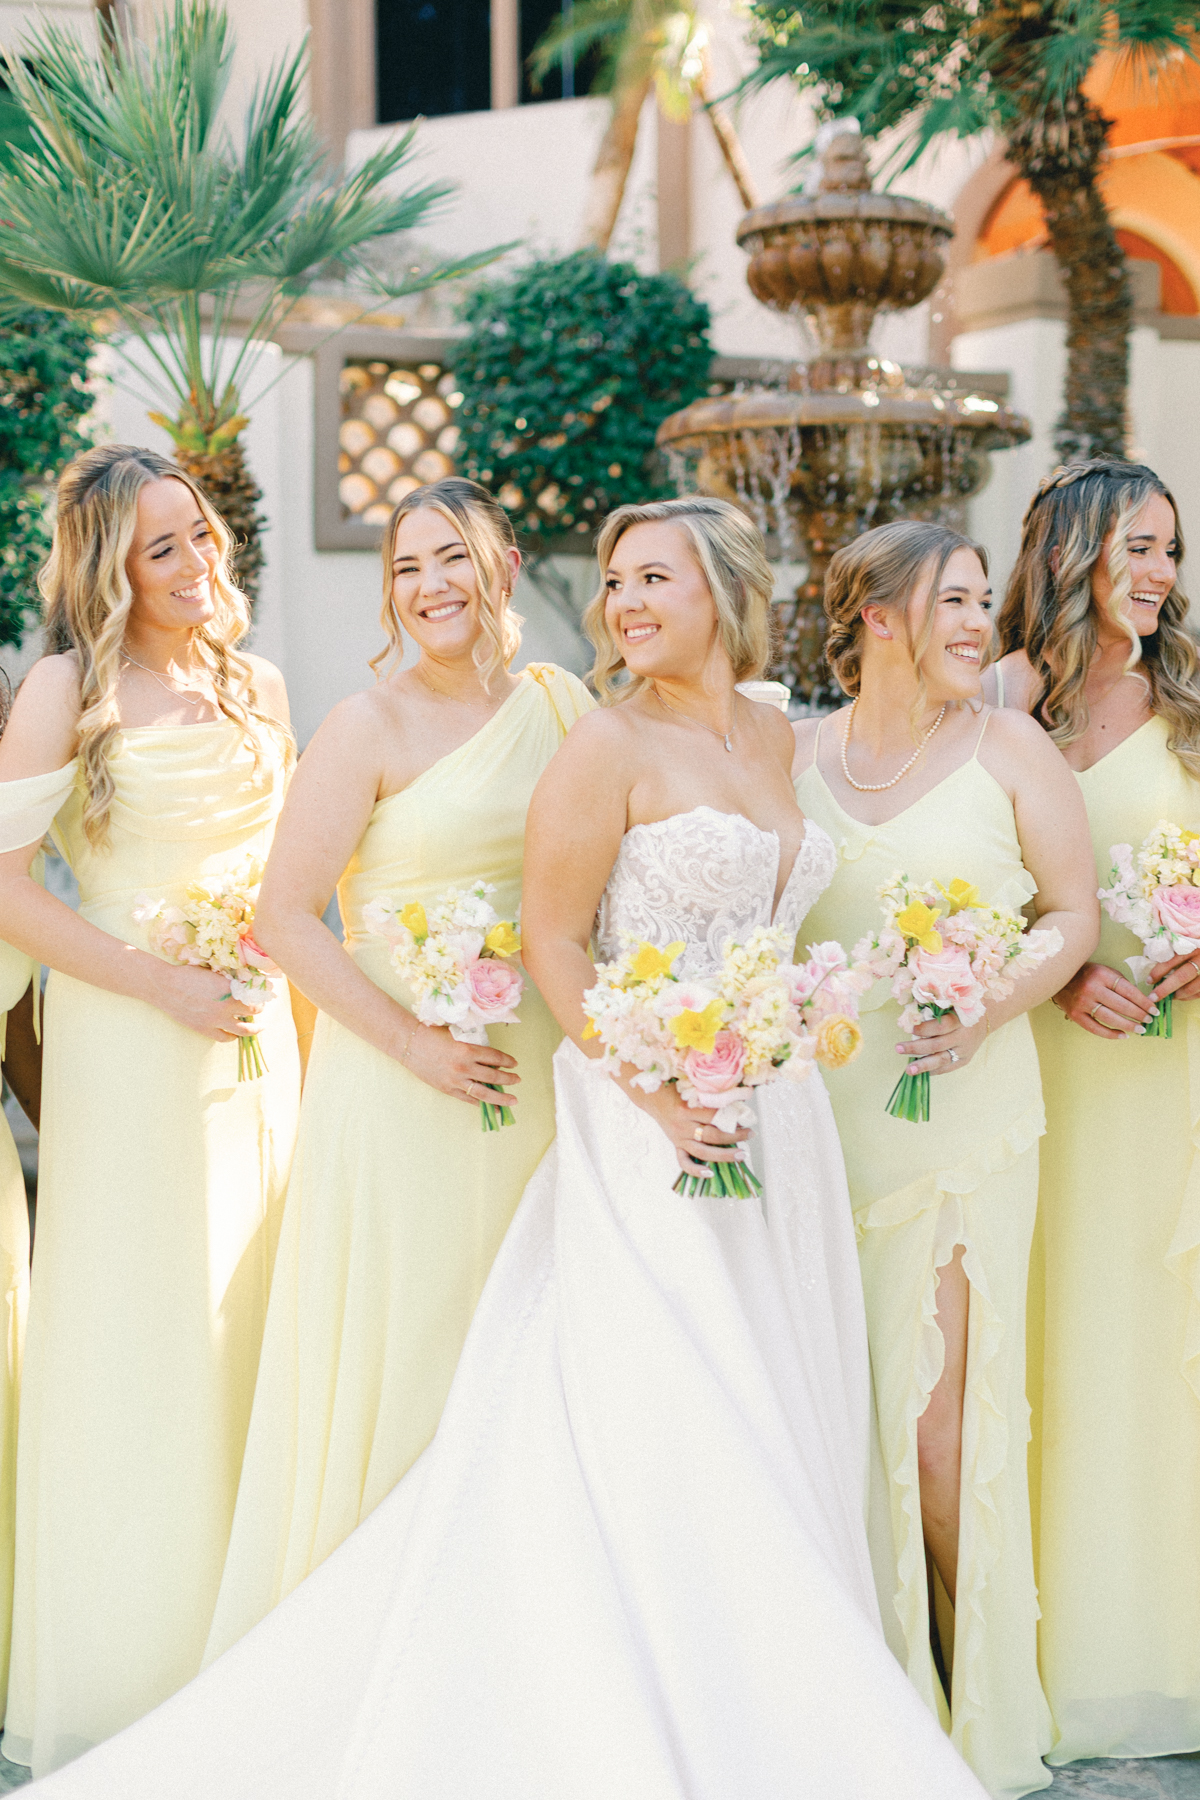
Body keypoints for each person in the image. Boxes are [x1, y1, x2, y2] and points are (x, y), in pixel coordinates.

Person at [27, 496, 986, 1800]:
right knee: (600, 1394)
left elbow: (914, 725)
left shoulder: (744, 729)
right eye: (619, 581)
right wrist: (626, 1080)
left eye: (657, 577)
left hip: (740, 1115)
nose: (630, 602)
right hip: (585, 1094)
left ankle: (773, 1668)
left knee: (760, 1391)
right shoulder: (566, 736)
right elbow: (528, 934)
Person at [203, 478, 593, 1663]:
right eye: (407, 567)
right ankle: (382, 1643)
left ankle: (511, 1633)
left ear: (506, 566)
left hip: (530, 1065)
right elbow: (287, 916)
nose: (430, 587)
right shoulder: (362, 726)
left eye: (452, 559)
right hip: (399, 1074)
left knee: (522, 1339)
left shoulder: (563, 705)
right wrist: (415, 1042)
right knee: (414, 1335)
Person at [0, 445, 300, 1774]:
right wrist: (155, 985)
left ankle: (255, 1645)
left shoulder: (259, 681)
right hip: (130, 1038)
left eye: (201, 536)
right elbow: (6, 886)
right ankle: (134, 1661)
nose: (195, 566)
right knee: (144, 1322)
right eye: (161, 548)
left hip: (255, 1036)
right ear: (108, 565)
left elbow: (297, 870)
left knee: (258, 1305)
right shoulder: (66, 687)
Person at [792, 519, 1097, 1799]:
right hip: (818, 1133)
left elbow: (1072, 916)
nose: (982, 621)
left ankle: (968, 1704)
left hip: (963, 1119)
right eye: (955, 600)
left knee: (938, 1434)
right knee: (832, 1416)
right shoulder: (791, 756)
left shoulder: (1014, 748)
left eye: (983, 599)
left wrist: (989, 1002)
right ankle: (855, 1700)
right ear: (876, 617)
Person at [990, 459, 1200, 1766]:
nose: (1160, 574)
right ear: (1072, 549)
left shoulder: (1192, 704)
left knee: (1168, 1343)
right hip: (1057, 1067)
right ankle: (1059, 1652)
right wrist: (1056, 974)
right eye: (1137, 545)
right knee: (1059, 1334)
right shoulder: (1006, 698)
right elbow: (946, 870)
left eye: (1172, 551)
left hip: (1177, 1075)